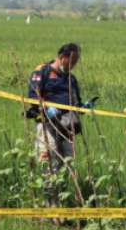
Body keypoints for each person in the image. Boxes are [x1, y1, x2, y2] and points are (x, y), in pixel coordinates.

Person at [26, 43, 86, 171]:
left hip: (67, 126)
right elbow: (33, 95)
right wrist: (47, 109)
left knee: (69, 160)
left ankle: (63, 187)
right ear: (62, 57)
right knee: (46, 156)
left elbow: (76, 102)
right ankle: (46, 181)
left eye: (76, 62)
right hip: (47, 123)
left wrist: (83, 107)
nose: (73, 65)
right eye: (72, 61)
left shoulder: (71, 79)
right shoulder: (42, 71)